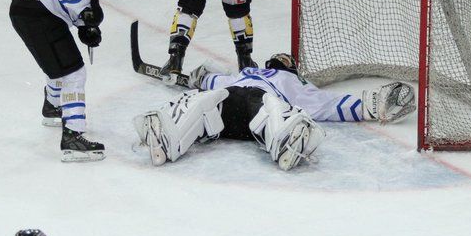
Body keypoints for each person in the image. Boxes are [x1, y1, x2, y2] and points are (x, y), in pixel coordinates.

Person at [134, 54, 416, 170]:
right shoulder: (283, 79)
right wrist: (369, 106)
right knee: (212, 103)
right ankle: (286, 140)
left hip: (236, 108)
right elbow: (327, 105)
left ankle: (169, 135)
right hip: (243, 108)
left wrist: (198, 77)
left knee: (208, 103)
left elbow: (207, 81)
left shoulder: (253, 74)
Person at [10, 0, 136, 162]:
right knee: (74, 73)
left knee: (60, 65)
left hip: (28, 7)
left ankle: (53, 107)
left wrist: (85, 23)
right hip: (39, 12)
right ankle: (73, 137)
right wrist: (85, 16)